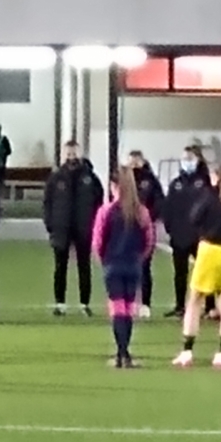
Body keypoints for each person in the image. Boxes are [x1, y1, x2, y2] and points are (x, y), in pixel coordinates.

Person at [174, 167, 221, 368]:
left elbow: (194, 217)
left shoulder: (211, 196)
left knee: (195, 300)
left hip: (211, 249)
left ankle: (187, 351)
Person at [92, 167, 157, 368]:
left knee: (117, 309)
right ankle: (126, 354)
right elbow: (149, 241)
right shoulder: (142, 212)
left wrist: (103, 260)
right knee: (128, 310)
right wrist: (139, 258)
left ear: (113, 186)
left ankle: (121, 353)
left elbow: (98, 240)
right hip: (133, 265)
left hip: (113, 264)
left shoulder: (106, 211)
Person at [44, 140, 105, 316]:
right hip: (61, 228)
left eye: (74, 153)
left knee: (84, 267)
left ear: (80, 153)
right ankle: (60, 303)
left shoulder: (90, 177)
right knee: (60, 267)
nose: (71, 157)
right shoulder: (56, 178)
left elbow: (99, 201)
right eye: (68, 153)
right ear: (64, 154)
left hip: (84, 228)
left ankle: (84, 304)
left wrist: (95, 224)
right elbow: (47, 203)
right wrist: (50, 224)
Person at [161, 144, 213, 318]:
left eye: (190, 159)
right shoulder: (176, 184)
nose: (187, 162)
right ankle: (179, 306)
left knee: (205, 272)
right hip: (179, 236)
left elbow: (211, 208)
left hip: (200, 236)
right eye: (184, 159)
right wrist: (171, 229)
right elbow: (167, 208)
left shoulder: (205, 182)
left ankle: (210, 306)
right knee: (180, 273)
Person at [125, 151, 165, 314]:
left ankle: (145, 304)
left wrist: (148, 217)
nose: (134, 164)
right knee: (127, 266)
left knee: (144, 266)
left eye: (137, 161)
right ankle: (128, 302)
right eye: (131, 161)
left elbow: (159, 201)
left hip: (145, 228)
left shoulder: (151, 180)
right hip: (126, 228)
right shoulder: (124, 179)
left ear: (142, 161)